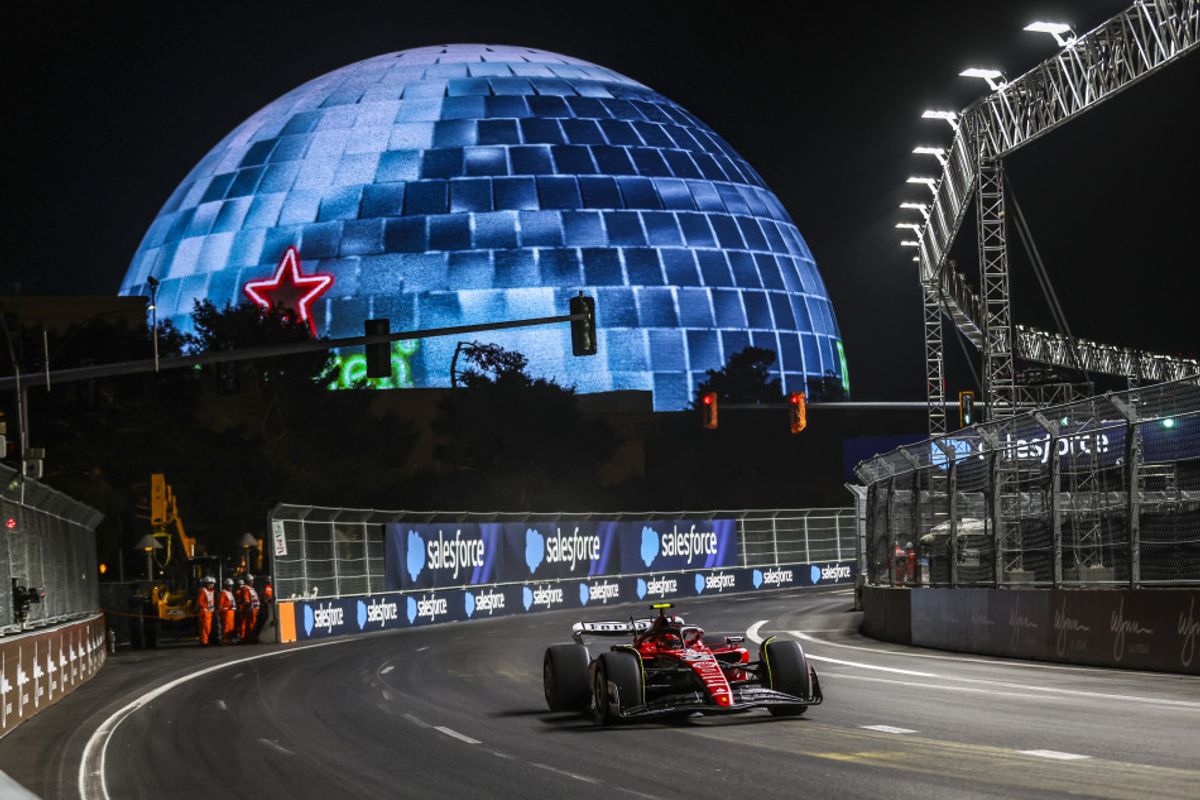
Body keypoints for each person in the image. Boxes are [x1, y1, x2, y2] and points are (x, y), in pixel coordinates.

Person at [195, 576, 216, 646]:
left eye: (212, 583)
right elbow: (200, 602)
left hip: (209, 611)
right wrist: (203, 608)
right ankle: (204, 642)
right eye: (209, 583)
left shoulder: (210, 591)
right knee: (205, 628)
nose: (211, 585)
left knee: (208, 628)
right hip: (204, 612)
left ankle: (205, 640)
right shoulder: (203, 591)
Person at [218, 578, 237, 644]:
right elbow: (221, 603)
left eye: (231, 586)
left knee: (231, 626)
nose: (231, 587)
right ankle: (225, 639)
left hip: (231, 612)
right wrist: (220, 611)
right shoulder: (223, 592)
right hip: (226, 612)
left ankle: (230, 639)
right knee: (226, 626)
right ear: (226, 586)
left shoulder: (230, 592)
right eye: (229, 586)